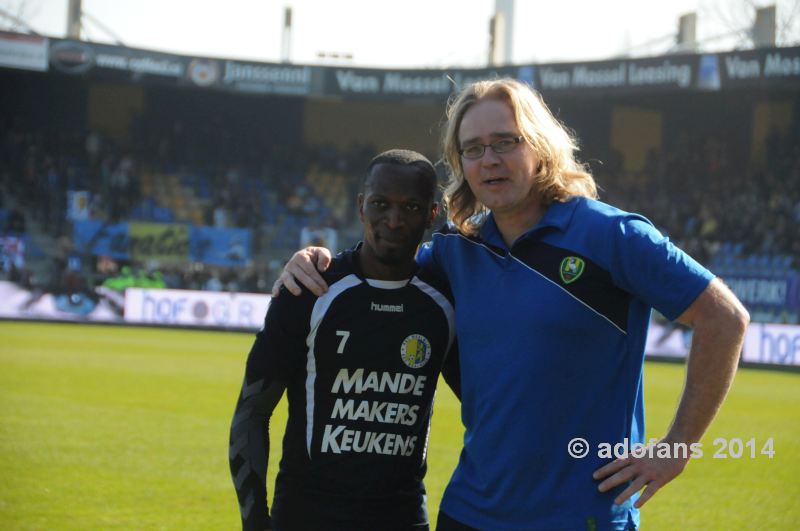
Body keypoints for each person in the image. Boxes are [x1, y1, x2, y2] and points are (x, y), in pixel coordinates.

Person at [272, 79, 750, 530]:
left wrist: (676, 448)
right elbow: (380, 265)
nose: (489, 160)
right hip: (468, 513)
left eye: (505, 142)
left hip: (580, 515)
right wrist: (316, 261)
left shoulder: (611, 236)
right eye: (473, 149)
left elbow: (724, 319)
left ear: (539, 146)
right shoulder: (456, 251)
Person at [229, 149, 460, 531]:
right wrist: (255, 524)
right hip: (305, 519)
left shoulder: (446, 302)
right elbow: (252, 414)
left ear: (432, 214)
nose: (394, 220)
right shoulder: (309, 290)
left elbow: (491, 408)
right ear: (360, 206)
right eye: (380, 204)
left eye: (411, 207)